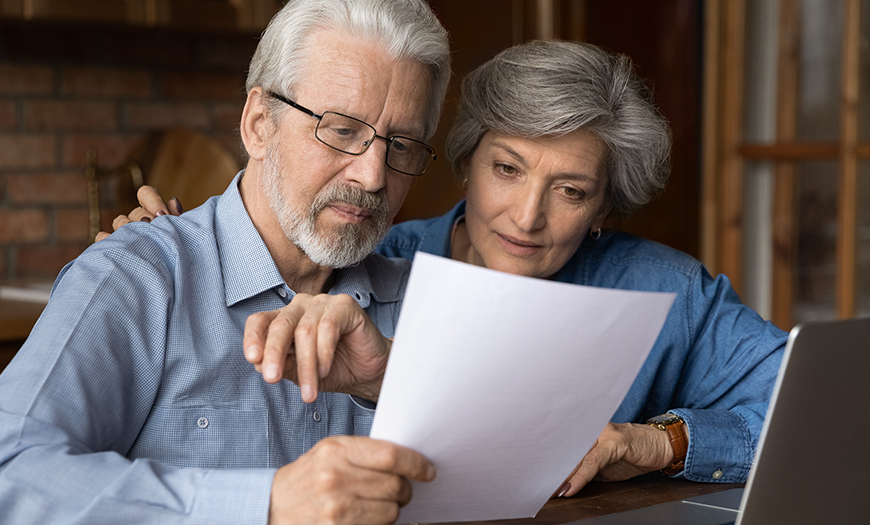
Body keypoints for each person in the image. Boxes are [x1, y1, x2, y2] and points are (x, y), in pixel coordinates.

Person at [120, 39, 787, 499]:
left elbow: (816, 414)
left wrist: (655, 442)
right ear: (466, 160)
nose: (527, 216)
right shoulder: (373, 261)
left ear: (603, 206)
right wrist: (180, 253)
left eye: (571, 190)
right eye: (507, 169)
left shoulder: (665, 288)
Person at [0, 0, 451, 523]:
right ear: (259, 124)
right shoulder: (138, 279)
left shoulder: (425, 299)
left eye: (401, 144)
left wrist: (393, 379)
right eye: (342, 130)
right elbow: (12, 471)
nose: (373, 176)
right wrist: (267, 504)